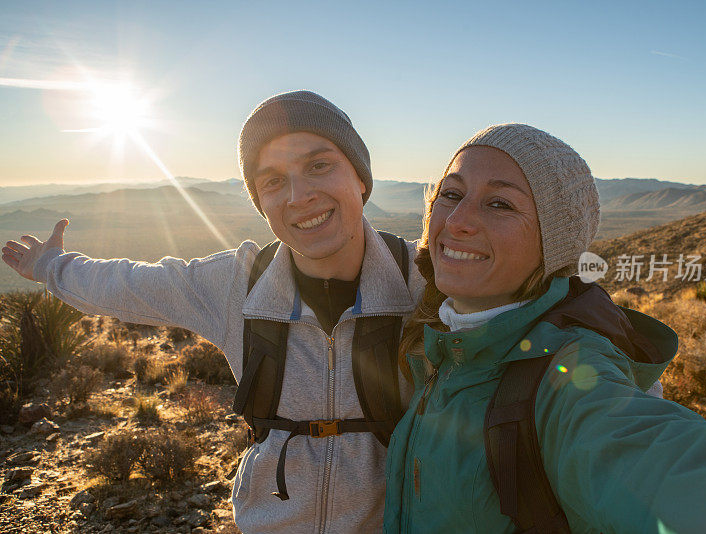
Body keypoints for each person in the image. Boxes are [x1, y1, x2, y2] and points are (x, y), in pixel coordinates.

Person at [2, 91, 423, 533]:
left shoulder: (425, 279)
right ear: (260, 203)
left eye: (319, 165)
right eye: (274, 181)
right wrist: (49, 267)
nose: (299, 196)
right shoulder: (237, 285)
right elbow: (128, 284)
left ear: (360, 177)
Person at [384, 123, 706, 533]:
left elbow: (660, 463)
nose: (457, 220)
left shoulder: (568, 375)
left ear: (555, 242)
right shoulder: (442, 344)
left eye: (500, 204)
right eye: (451, 194)